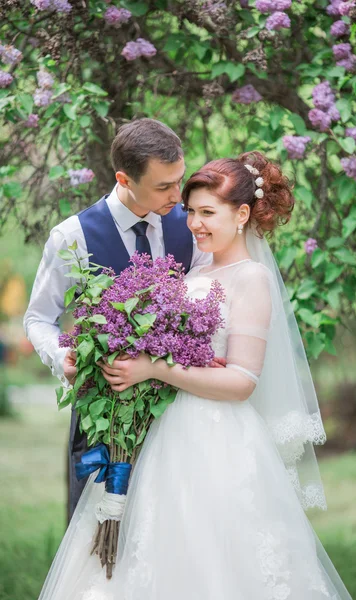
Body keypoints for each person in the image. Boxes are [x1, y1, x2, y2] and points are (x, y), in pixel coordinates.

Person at [38, 152, 353, 599]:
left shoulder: (252, 280)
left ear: (242, 214)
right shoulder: (193, 270)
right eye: (191, 212)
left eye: (208, 213)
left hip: (217, 441)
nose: (194, 224)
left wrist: (152, 367)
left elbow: (242, 382)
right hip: (161, 432)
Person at [23, 118, 212, 521]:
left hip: (177, 417)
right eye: (164, 187)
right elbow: (39, 317)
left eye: (178, 180)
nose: (178, 196)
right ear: (124, 179)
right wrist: (63, 359)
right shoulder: (71, 236)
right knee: (98, 535)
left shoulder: (192, 229)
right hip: (101, 419)